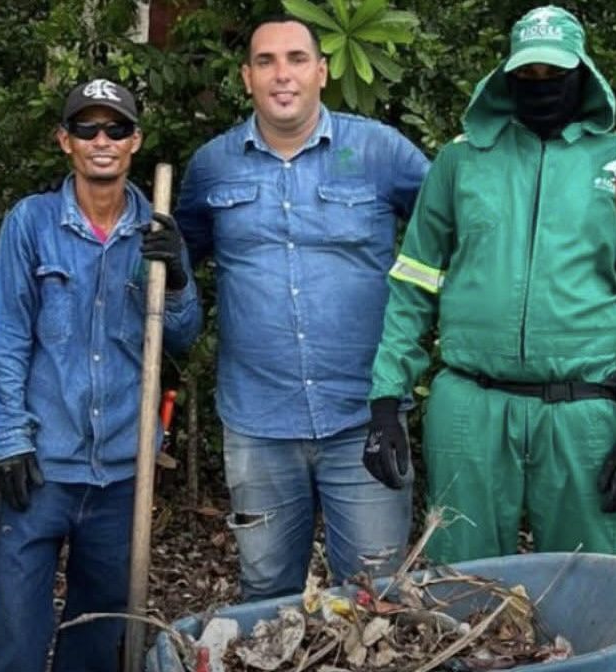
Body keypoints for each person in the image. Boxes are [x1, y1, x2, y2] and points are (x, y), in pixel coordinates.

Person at [365, 5, 616, 563]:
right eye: (528, 74)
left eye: (555, 73)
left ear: (583, 74)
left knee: (591, 578)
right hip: (471, 405)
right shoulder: (462, 160)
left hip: (583, 410)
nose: (542, 85)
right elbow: (413, 283)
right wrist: (386, 402)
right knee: (462, 581)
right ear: (507, 77)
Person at [175, 15, 429, 601]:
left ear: (322, 71)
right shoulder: (212, 165)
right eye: (265, 61)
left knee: (374, 596)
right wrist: (167, 270)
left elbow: (447, 231)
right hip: (257, 422)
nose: (281, 74)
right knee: (266, 592)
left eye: (296, 59)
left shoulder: (381, 151)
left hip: (363, 417)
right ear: (247, 78)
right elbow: (180, 261)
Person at [0, 78, 201, 672]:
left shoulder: (156, 230)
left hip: (124, 469)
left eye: (116, 128)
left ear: (135, 141)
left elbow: (182, 337)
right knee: (17, 627)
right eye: (87, 128)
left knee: (99, 633)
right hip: (43, 463)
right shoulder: (31, 223)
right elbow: (8, 335)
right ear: (65, 140)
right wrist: (9, 439)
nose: (102, 140)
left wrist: (177, 279)